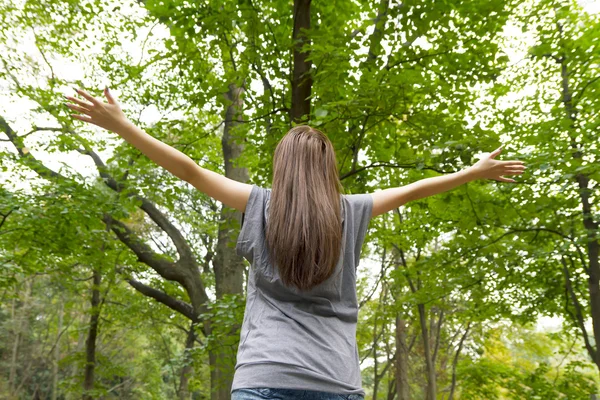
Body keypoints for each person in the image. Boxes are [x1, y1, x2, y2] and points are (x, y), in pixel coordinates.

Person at [66, 88, 526, 399]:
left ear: (281, 167)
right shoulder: (353, 209)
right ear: (328, 168)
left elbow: (190, 170)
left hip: (263, 375)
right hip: (335, 381)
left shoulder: (259, 203)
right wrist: (471, 172)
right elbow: (415, 189)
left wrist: (123, 126)